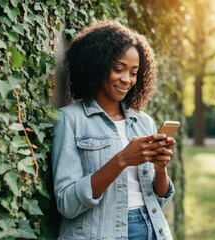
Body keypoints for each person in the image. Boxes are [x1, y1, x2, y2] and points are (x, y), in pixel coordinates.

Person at [51, 20, 176, 240]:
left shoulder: (143, 122)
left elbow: (160, 199)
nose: (127, 79)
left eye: (134, 72)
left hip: (152, 229)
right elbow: (67, 203)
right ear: (97, 65)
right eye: (119, 69)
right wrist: (122, 159)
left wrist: (160, 168)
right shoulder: (70, 120)